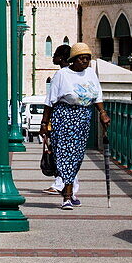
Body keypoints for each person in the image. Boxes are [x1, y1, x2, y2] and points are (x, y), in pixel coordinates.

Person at [39, 42, 109, 210]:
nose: (85, 62)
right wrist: (44, 123)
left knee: (76, 157)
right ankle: (68, 196)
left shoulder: (91, 74)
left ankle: (68, 190)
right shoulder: (62, 75)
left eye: (88, 58)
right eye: (82, 58)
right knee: (65, 156)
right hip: (64, 118)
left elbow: (97, 96)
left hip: (83, 119)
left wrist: (102, 113)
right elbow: (50, 101)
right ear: (73, 60)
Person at [41, 44, 78, 200]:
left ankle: (64, 186)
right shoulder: (74, 74)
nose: (52, 57)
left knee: (62, 153)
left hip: (61, 119)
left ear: (61, 58)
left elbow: (50, 100)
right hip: (75, 119)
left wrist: (44, 123)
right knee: (70, 154)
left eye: (55, 54)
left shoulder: (61, 74)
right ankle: (69, 188)